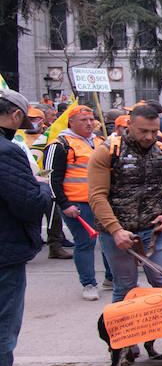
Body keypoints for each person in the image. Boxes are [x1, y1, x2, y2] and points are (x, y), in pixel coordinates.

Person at [87, 104, 162, 303]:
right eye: (143, 131)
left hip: (154, 232)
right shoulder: (107, 151)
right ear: (129, 126)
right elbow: (97, 196)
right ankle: (122, 324)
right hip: (118, 234)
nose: (149, 136)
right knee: (125, 288)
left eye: (154, 131)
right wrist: (115, 230)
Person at [0, 88, 51, 366]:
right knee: (4, 325)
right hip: (5, 251)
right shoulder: (7, 152)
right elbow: (28, 203)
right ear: (16, 115)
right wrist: (43, 189)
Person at [43, 105, 102, 300]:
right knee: (86, 243)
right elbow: (51, 178)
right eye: (84, 120)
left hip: (101, 201)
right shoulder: (60, 144)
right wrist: (64, 204)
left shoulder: (99, 141)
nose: (89, 123)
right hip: (77, 203)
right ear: (71, 122)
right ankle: (89, 284)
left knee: (109, 241)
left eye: (91, 119)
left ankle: (112, 278)